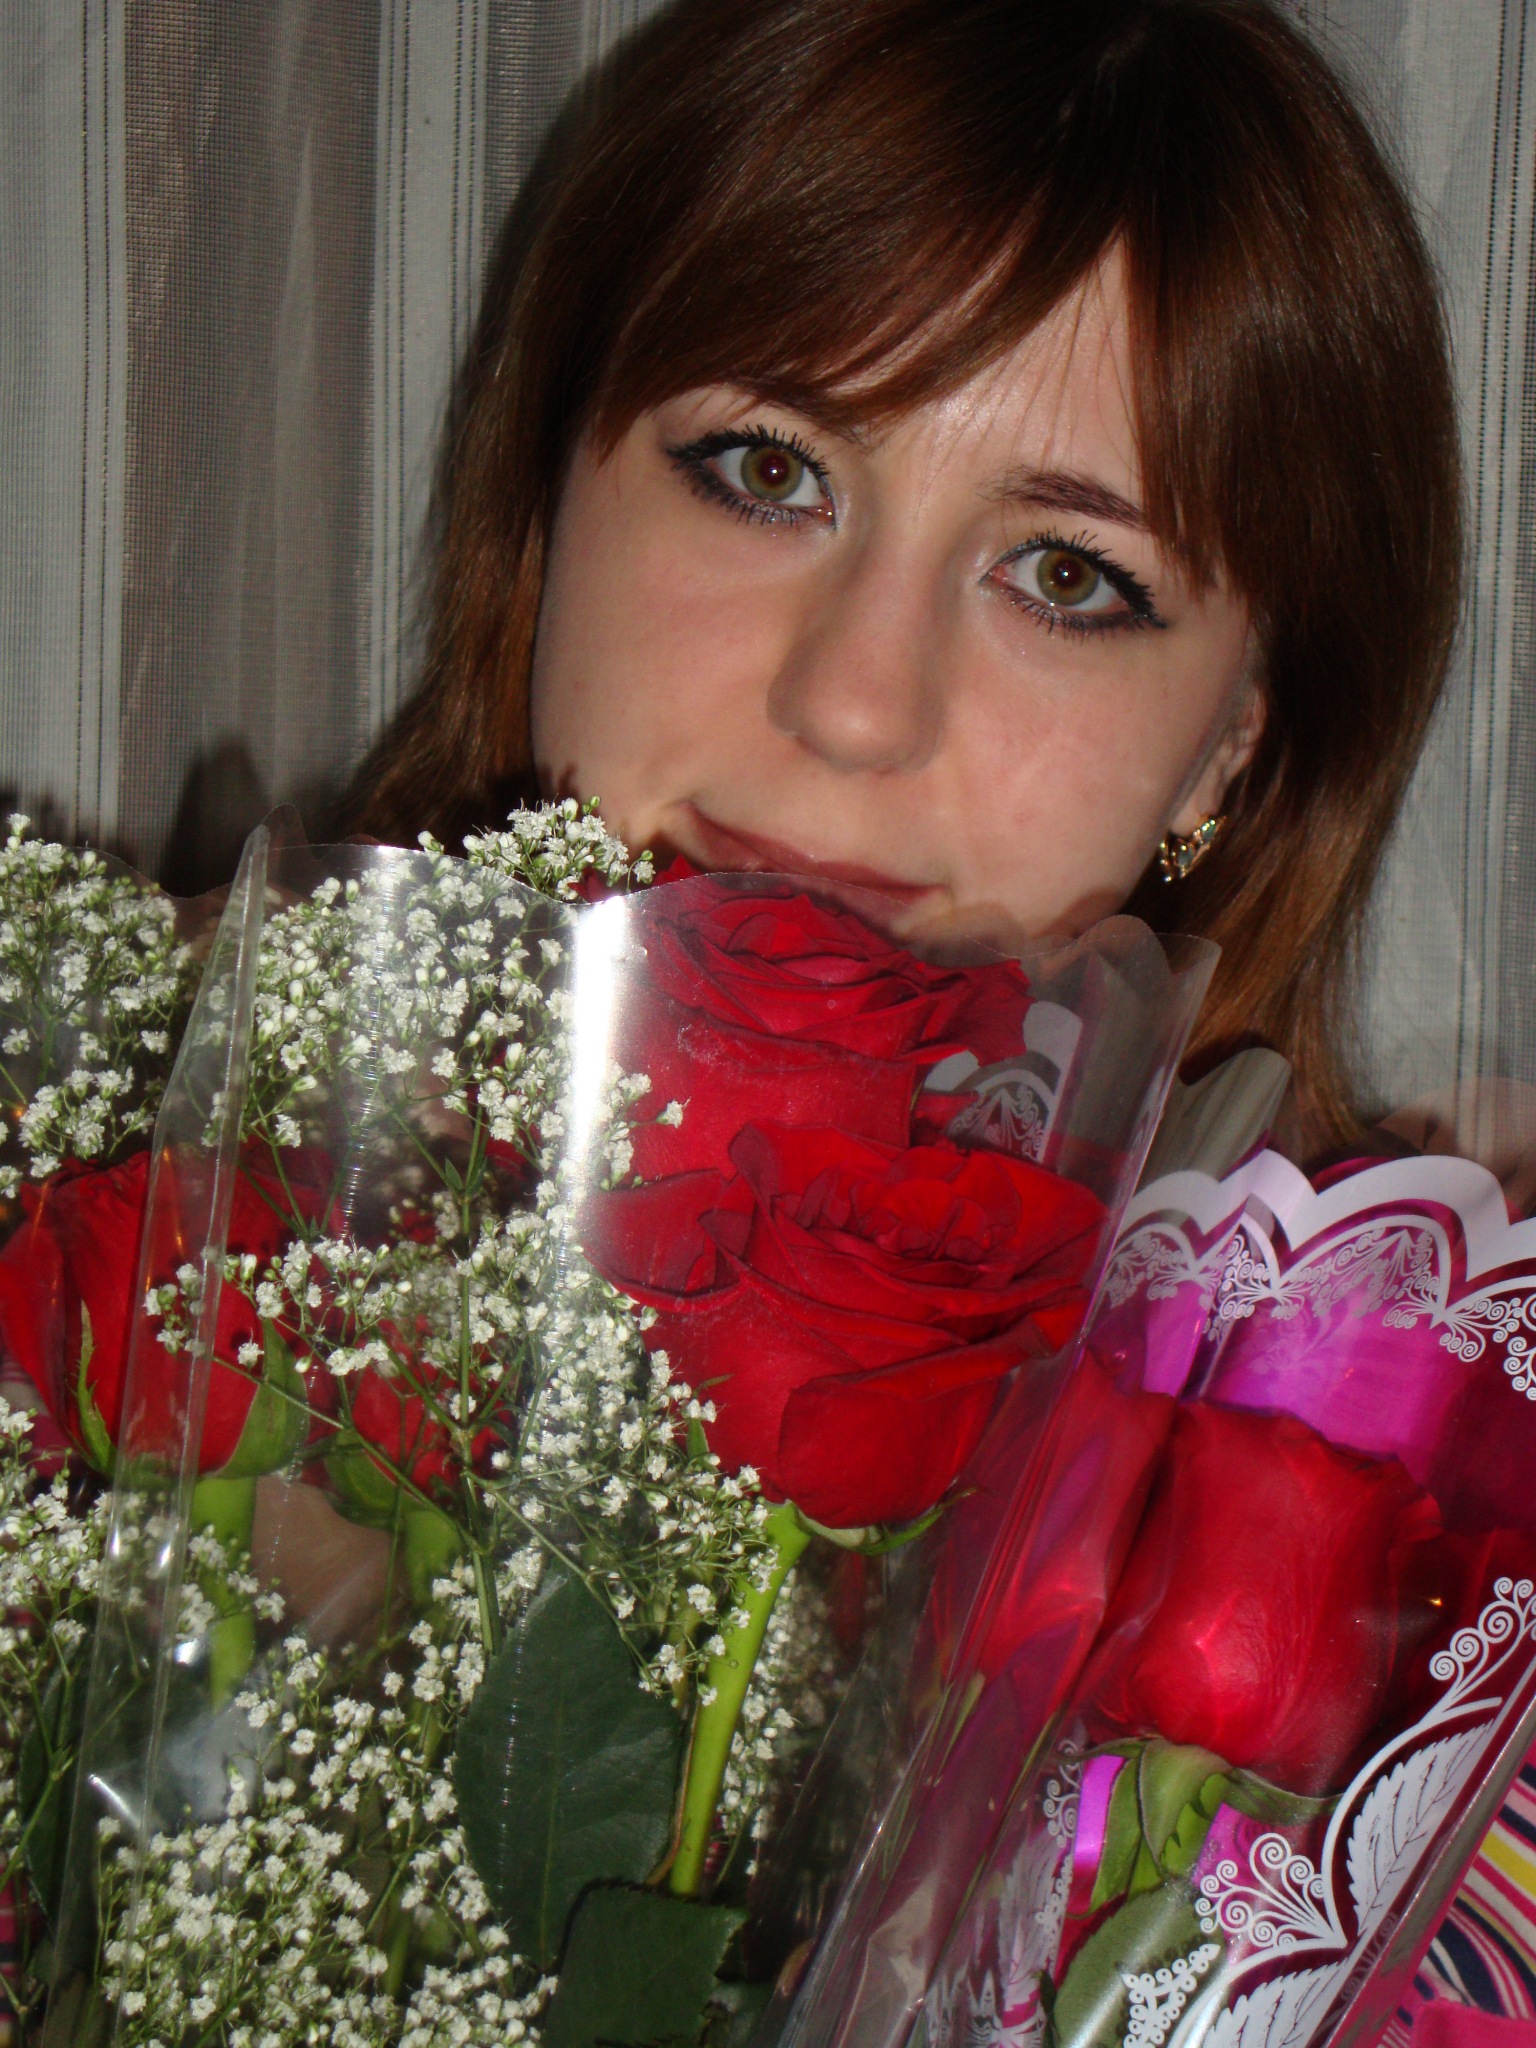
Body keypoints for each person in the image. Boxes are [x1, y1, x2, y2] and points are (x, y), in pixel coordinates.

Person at [355, 0, 1536, 2024]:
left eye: (1068, 577)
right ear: (544, 500)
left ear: (1233, 747)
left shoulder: (1418, 1596)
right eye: (766, 469)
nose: (853, 699)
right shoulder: (112, 1299)